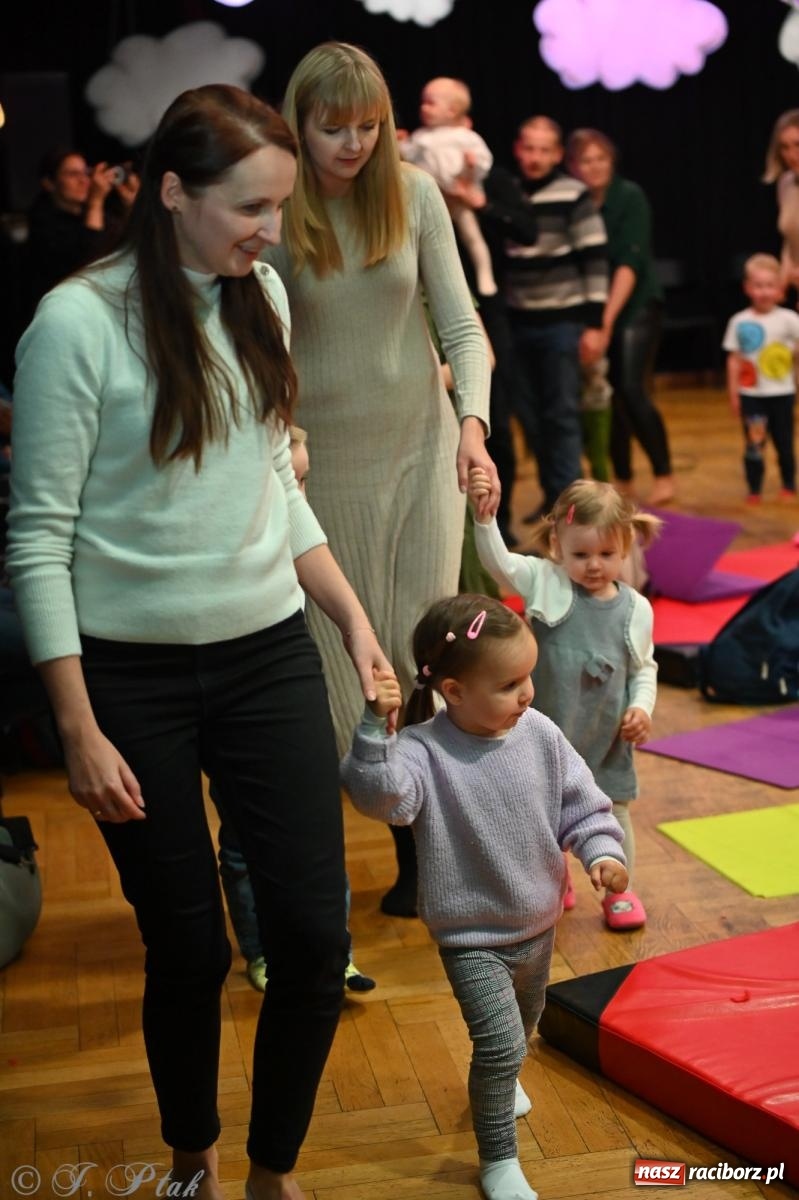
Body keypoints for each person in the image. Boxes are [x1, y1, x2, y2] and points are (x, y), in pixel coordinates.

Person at [7, 84, 397, 1200]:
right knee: (186, 950)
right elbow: (37, 539)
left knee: (315, 944)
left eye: (278, 208)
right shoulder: (79, 322)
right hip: (129, 681)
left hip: (267, 650)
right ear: (172, 193)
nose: (271, 231)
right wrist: (76, 726)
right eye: (251, 208)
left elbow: (274, 487)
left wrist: (353, 619)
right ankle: (193, 1160)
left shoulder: (257, 290)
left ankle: (273, 1171)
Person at [265, 41, 497, 918]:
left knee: (423, 662)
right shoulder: (277, 209)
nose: (353, 144)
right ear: (299, 122)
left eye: (369, 125)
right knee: (337, 684)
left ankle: (421, 858)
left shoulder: (416, 193)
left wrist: (471, 431)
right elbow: (256, 351)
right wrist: (278, 435)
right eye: (333, 127)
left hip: (419, 461)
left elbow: (462, 330)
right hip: (321, 474)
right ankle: (314, 879)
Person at [341, 594, 628, 1200]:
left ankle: (501, 1080)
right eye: (508, 684)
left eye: (527, 677)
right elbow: (380, 798)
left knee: (522, 1030)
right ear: (454, 689)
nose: (527, 693)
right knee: (497, 1045)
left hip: (538, 924)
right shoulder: (419, 751)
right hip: (471, 938)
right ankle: (498, 1159)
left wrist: (603, 853)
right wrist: (374, 730)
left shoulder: (540, 734)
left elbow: (583, 804)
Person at [212, 426, 375, 996]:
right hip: (232, 699)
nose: (297, 496)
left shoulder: (303, 543)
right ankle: (260, 951)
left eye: (304, 481)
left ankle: (336, 950)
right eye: (289, 481)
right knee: (240, 841)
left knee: (318, 831)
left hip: (285, 698)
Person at [469, 475, 660, 931]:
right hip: (550, 736)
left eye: (606, 555)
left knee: (614, 815)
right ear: (556, 544)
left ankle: (619, 889)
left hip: (606, 736)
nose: (594, 565)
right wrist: (484, 520)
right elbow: (499, 565)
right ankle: (556, 881)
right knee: (543, 817)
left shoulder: (636, 609)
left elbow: (644, 671)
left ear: (626, 546)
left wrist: (642, 710)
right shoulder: (545, 582)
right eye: (580, 554)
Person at [482, 117, 609, 516]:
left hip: (561, 322)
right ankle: (553, 499)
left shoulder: (573, 194)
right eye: (529, 148)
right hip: (517, 323)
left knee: (562, 415)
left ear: (557, 154)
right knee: (530, 418)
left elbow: (594, 257)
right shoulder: (507, 192)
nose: (536, 158)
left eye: (545, 150)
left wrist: (593, 324)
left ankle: (570, 509)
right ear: (518, 150)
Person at [566, 128, 674, 506]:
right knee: (604, 395)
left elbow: (630, 264)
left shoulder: (629, 197)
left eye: (601, 159)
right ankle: (623, 478)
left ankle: (663, 473)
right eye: (586, 160)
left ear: (612, 162)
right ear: (574, 166)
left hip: (635, 303)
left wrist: (605, 322)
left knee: (630, 387)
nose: (594, 167)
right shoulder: (576, 201)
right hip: (594, 308)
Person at [398, 77, 497, 298]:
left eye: (431, 103)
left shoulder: (465, 137)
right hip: (432, 198)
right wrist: (399, 144)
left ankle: (485, 273)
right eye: (423, 102)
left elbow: (485, 160)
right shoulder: (422, 136)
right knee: (428, 239)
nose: (423, 107)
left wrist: (474, 163)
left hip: (460, 196)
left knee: (472, 236)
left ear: (452, 110)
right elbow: (407, 155)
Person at [722, 253, 799, 503]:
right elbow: (734, 360)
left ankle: (789, 484)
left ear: (779, 289)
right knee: (754, 444)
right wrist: (734, 393)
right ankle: (754, 488)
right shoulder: (739, 322)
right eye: (758, 285)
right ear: (747, 288)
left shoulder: (790, 320)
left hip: (782, 395)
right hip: (753, 397)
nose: (764, 292)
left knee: (784, 442)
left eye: (770, 286)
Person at [24, 147, 139, 315]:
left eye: (86, 173)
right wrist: (96, 201)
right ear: (49, 183)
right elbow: (88, 262)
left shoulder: (97, 214)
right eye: (72, 174)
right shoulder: (42, 221)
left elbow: (128, 247)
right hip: (64, 310)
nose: (84, 180)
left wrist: (132, 206)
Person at [762, 109, 799, 295]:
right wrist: (779, 285)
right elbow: (790, 242)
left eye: (797, 145)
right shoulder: (786, 184)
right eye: (784, 147)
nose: (791, 154)